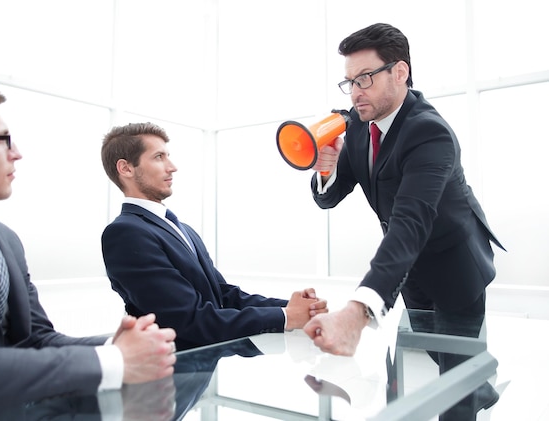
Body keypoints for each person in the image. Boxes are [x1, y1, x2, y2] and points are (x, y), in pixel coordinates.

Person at [0, 67, 177, 418]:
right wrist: (112, 360)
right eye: (1, 140)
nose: (17, 153)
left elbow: (35, 339)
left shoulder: (5, 240)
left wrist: (117, 345)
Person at [301, 23, 505, 420]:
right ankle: (480, 384)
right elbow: (329, 197)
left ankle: (472, 390)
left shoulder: (430, 133)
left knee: (455, 383)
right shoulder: (358, 125)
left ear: (400, 72)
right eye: (349, 82)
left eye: (365, 78)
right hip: (409, 267)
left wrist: (357, 312)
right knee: (435, 350)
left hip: (454, 262)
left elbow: (410, 222)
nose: (355, 90)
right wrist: (325, 170)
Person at [100, 122, 328, 351]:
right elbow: (190, 320)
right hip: (168, 377)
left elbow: (223, 295)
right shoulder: (125, 234)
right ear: (126, 169)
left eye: (168, 156)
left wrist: (295, 307)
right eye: (159, 157)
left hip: (201, 372)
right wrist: (286, 316)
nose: (172, 167)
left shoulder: (183, 228)